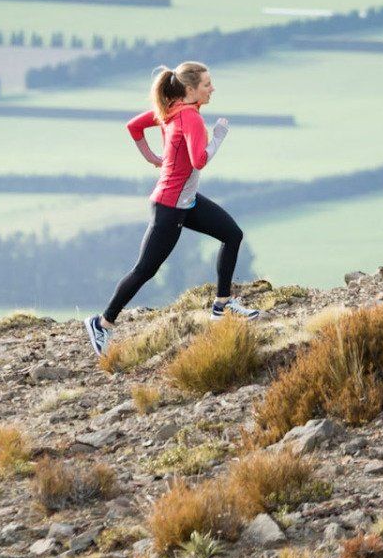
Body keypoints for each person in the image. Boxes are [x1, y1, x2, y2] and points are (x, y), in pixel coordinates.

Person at [86, 61, 261, 355]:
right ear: (191, 89)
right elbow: (199, 161)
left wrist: (152, 157)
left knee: (232, 234)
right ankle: (102, 323)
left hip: (186, 201)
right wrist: (218, 136)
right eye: (207, 84)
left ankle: (222, 304)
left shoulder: (171, 109)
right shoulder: (189, 117)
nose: (212, 88)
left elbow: (134, 127)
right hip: (170, 207)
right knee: (145, 269)